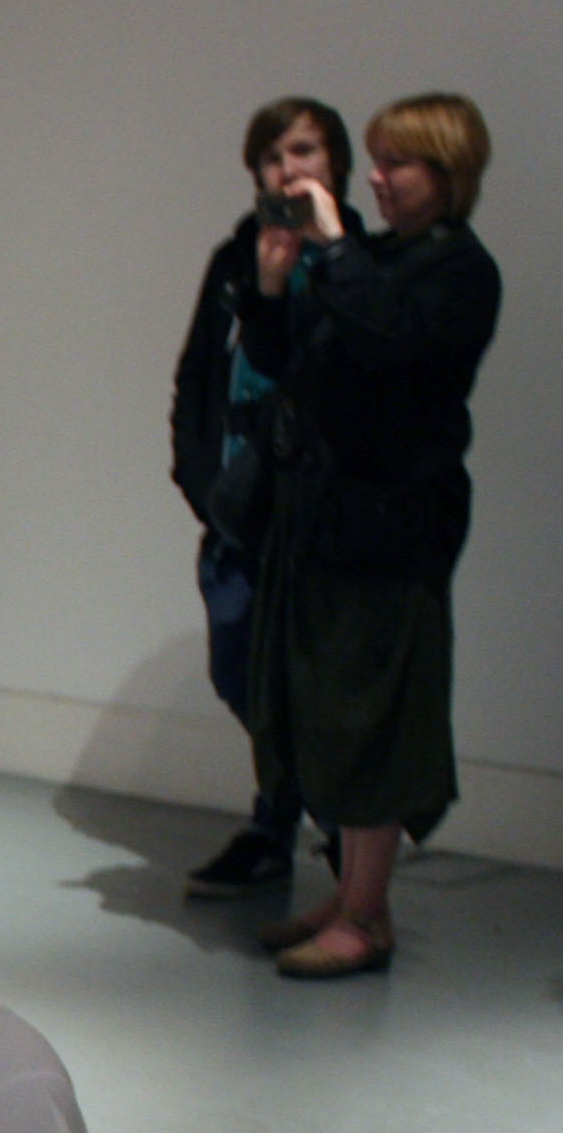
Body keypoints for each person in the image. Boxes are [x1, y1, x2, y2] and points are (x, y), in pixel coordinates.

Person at [241, 97, 500, 978]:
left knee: (374, 722)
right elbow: (287, 364)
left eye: (397, 164)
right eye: (378, 161)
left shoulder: (461, 271)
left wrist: (338, 249)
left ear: (446, 174)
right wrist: (273, 285)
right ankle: (358, 898)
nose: (376, 179)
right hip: (327, 521)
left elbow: (395, 345)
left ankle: (365, 916)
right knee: (329, 715)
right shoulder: (377, 258)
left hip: (394, 532)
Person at [171, 98, 357, 895]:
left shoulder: (359, 262)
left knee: (313, 682)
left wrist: (328, 253)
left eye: (304, 152)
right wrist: (197, 475)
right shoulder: (235, 256)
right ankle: (306, 819)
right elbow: (199, 369)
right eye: (274, 157)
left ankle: (308, 825)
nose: (289, 171)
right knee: (237, 665)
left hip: (317, 512)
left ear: (336, 163)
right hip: (237, 502)